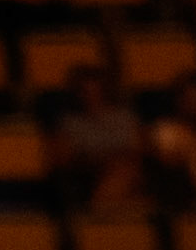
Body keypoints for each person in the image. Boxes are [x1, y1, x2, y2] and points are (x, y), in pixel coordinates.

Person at [54, 68, 143, 206]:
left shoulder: (125, 118)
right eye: (85, 91)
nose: (90, 96)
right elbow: (64, 158)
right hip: (88, 175)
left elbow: (138, 150)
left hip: (128, 171)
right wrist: (101, 161)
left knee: (126, 173)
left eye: (96, 90)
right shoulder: (69, 123)